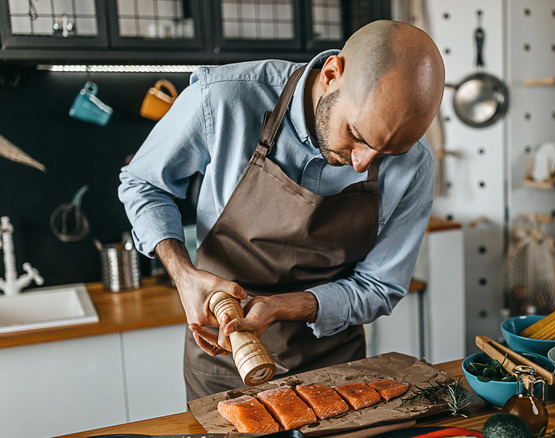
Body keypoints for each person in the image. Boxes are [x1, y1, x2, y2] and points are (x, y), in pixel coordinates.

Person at [118, 20, 446, 401]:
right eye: (356, 135)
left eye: (389, 153)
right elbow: (143, 183)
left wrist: (280, 307)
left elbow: (379, 286)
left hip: (335, 365)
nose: (362, 163)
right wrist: (183, 274)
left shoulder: (417, 165)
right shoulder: (223, 99)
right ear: (331, 75)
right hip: (223, 357)